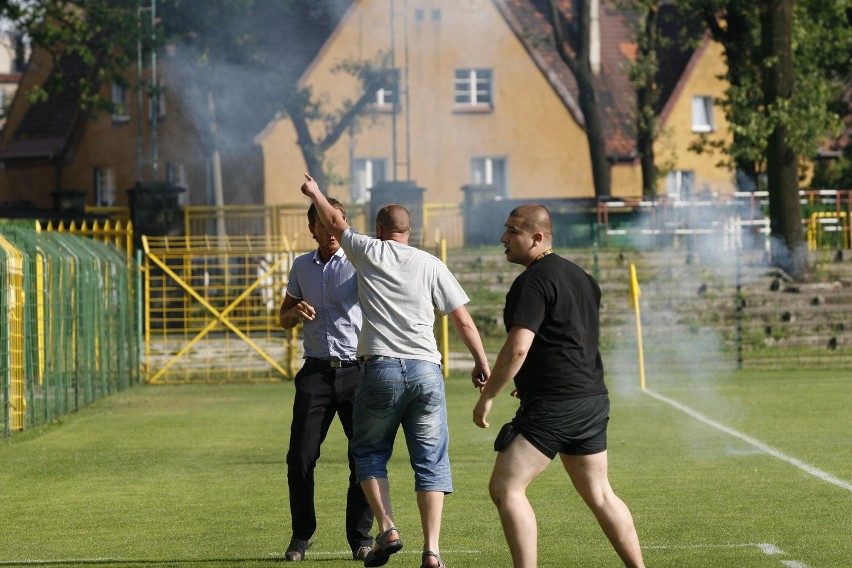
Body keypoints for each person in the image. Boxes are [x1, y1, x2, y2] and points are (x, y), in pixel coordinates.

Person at [300, 173, 490, 568]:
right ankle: (433, 550)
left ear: (380, 230)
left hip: (381, 367)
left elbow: (335, 223)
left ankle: (387, 526)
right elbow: (463, 320)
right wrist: (481, 361)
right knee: (431, 462)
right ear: (409, 230)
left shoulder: (369, 251)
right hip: (426, 370)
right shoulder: (431, 263)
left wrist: (316, 192)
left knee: (369, 451)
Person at [472, 204, 645, 568]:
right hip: (592, 400)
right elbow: (564, 338)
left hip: (557, 405)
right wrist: (532, 378)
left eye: (512, 232)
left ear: (537, 238)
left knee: (506, 488)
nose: (503, 238)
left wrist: (488, 397)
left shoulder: (531, 282)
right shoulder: (583, 277)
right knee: (601, 493)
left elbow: (519, 346)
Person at [279, 198, 374, 562]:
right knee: (300, 458)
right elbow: (282, 318)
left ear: (343, 223)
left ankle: (360, 538)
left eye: (337, 221)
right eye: (322, 223)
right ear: (312, 229)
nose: (331, 228)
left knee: (362, 458)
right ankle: (302, 535)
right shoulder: (302, 265)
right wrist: (294, 311)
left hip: (358, 371)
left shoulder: (360, 261)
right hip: (315, 373)